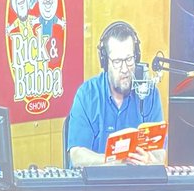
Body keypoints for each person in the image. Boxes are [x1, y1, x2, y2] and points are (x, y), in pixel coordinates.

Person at [66, 21, 164, 167]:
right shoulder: (86, 95)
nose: (125, 69)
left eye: (129, 59)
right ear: (105, 63)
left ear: (136, 57)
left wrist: (150, 160)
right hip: (97, 186)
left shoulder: (149, 94)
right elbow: (77, 156)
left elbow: (159, 154)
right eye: (117, 61)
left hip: (137, 185)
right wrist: (113, 161)